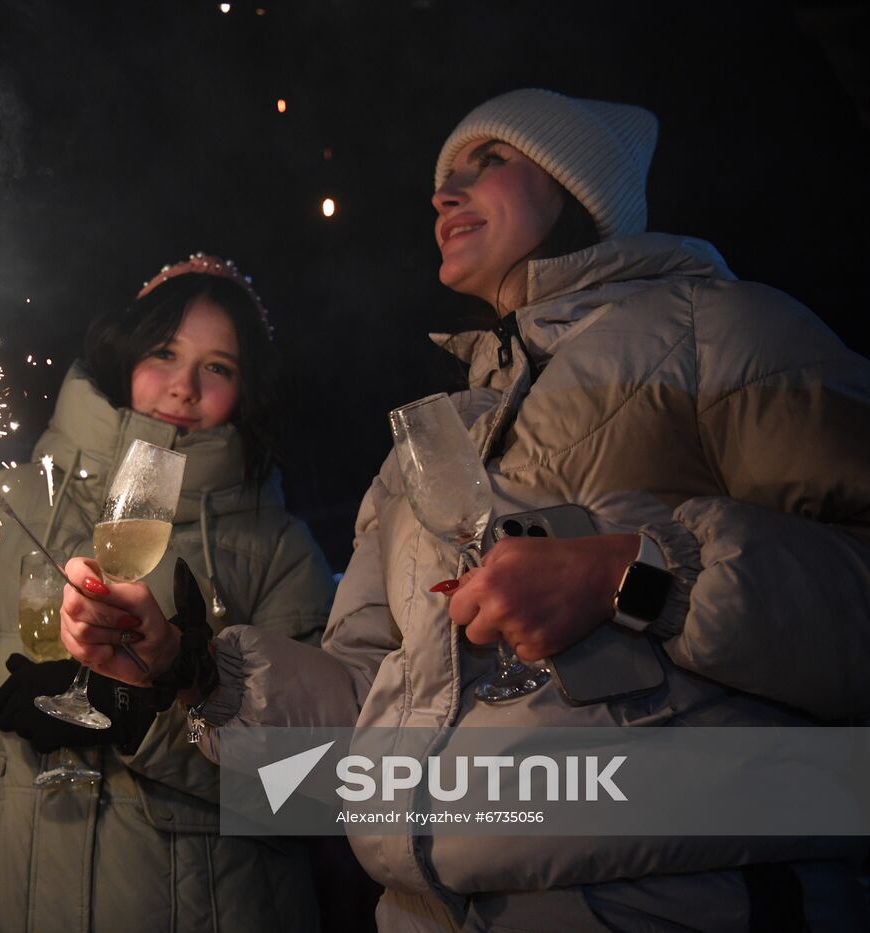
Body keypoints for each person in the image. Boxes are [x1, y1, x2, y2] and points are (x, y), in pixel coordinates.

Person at [62, 89, 870, 930]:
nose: (446, 193)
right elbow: (355, 735)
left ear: (579, 186)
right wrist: (189, 676)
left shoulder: (723, 333)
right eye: (443, 177)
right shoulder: (436, 440)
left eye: (489, 163)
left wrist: (635, 579)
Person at [0, 254, 336, 932]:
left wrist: (151, 717)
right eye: (164, 351)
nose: (184, 386)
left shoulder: (279, 549)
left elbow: (315, 787)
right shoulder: (3, 505)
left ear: (247, 387)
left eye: (218, 367)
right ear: (123, 353)